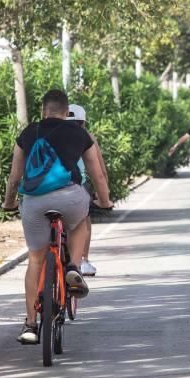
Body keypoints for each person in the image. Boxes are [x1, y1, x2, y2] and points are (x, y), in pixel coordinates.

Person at [2, 90, 113, 345]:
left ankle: (30, 324)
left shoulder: (29, 133)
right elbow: (97, 175)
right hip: (70, 197)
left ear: (43, 111)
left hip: (34, 201)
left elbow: (15, 177)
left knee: (35, 260)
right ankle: (74, 266)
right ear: (66, 112)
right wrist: (104, 201)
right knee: (79, 224)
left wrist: (9, 203)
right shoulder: (80, 133)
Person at [66, 104, 108, 277]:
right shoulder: (87, 136)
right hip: (77, 185)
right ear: (83, 122)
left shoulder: (50, 134)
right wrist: (103, 195)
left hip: (46, 187)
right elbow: (100, 169)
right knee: (84, 222)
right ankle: (82, 260)